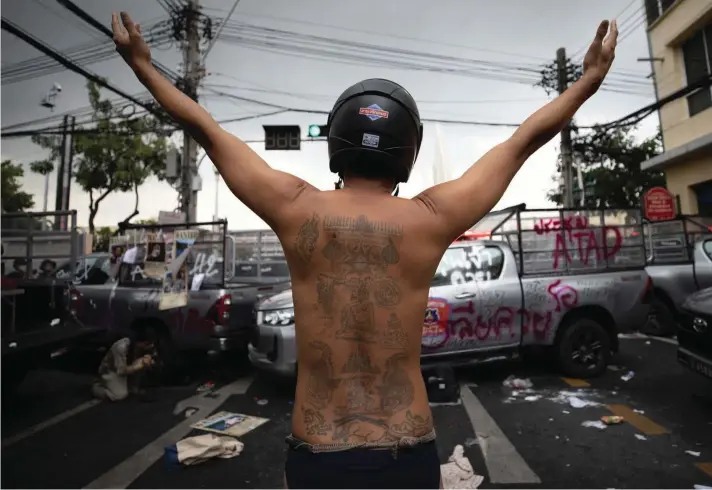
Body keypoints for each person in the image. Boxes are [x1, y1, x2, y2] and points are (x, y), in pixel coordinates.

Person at [112, 12, 617, 488]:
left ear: (337, 140)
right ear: (408, 150)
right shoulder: (430, 217)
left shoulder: (296, 208)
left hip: (318, 449)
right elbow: (521, 143)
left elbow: (209, 131)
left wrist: (141, 66)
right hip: (405, 446)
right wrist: (588, 82)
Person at [92, 327, 156, 402]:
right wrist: (137, 366)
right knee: (119, 395)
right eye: (147, 343)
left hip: (127, 368)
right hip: (111, 371)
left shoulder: (145, 348)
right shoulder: (121, 347)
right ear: (137, 342)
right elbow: (121, 371)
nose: (150, 346)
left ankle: (132, 387)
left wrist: (149, 361)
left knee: (143, 363)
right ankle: (97, 388)